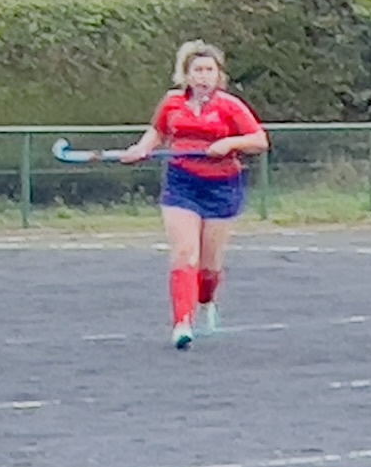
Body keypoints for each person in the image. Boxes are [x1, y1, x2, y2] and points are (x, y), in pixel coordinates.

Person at [102, 42, 268, 348]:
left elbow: (259, 140)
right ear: (186, 75)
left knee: (209, 268)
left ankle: (206, 301)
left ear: (219, 75)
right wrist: (141, 148)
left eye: (210, 70)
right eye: (198, 70)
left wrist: (229, 144)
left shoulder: (229, 106)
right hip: (182, 182)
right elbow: (157, 131)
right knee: (184, 253)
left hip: (221, 186)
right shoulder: (172, 102)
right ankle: (182, 322)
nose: (204, 77)